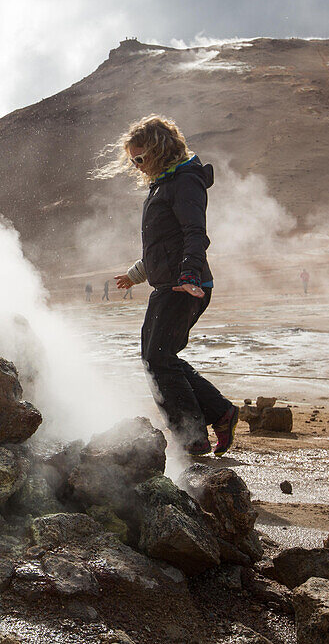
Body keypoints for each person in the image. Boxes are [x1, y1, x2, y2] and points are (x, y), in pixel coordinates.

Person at [99, 114, 238, 456]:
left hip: (183, 286)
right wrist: (136, 273)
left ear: (160, 150)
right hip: (172, 284)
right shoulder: (165, 183)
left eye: (140, 158)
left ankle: (191, 436)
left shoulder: (184, 182)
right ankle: (219, 413)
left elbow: (194, 234)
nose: (137, 165)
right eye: (132, 160)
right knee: (160, 356)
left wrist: (189, 277)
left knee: (157, 357)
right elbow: (165, 243)